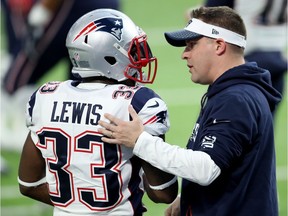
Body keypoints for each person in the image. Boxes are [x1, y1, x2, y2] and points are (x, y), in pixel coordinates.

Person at [98, 6, 282, 216]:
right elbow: (226, 164)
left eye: (192, 45)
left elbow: (205, 168)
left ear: (219, 45)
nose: (184, 55)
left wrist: (140, 141)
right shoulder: (234, 91)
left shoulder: (235, 99)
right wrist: (190, 198)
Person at [17, 8, 178, 216]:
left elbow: (28, 183)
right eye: (132, 51)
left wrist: (78, 204)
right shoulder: (137, 103)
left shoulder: (45, 97)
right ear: (109, 58)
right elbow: (163, 193)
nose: (140, 57)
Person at [1, 0, 122, 153]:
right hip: (99, 10)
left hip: (74, 8)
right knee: (87, 77)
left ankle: (20, 124)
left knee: (24, 67)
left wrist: (42, 11)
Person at [204, 0, 287, 117]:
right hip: (277, 61)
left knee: (217, 121)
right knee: (263, 128)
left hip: (244, 62)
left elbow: (209, 16)